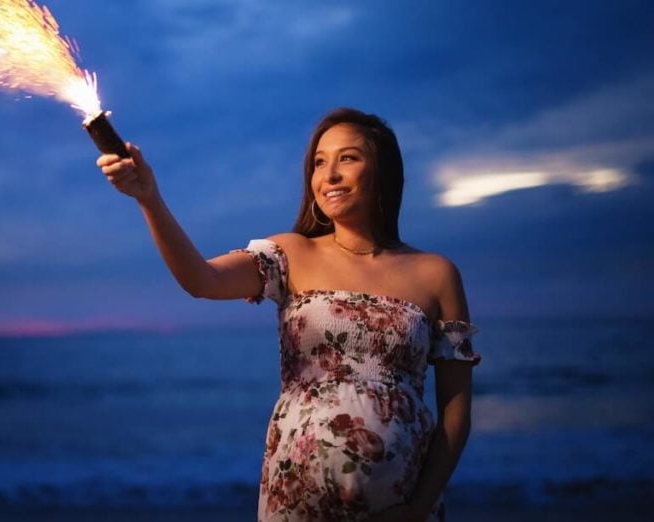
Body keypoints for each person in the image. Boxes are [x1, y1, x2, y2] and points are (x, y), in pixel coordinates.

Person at [96, 107, 480, 521]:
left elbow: (455, 412)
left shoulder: (436, 274)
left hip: (400, 504)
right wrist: (149, 198)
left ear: (383, 170)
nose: (329, 175)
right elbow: (200, 280)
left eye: (347, 158)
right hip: (298, 498)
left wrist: (418, 508)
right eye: (319, 162)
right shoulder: (290, 254)